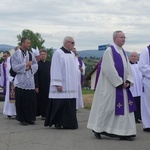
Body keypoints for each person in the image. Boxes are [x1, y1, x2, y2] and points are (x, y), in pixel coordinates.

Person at [87, 31, 136, 141]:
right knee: (108, 109)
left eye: (124, 37)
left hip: (123, 88)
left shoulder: (123, 52)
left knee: (124, 110)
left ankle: (123, 132)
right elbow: (108, 69)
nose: (124, 39)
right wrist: (119, 82)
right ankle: (99, 129)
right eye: (121, 37)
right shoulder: (109, 51)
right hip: (110, 87)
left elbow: (128, 68)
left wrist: (128, 80)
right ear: (115, 39)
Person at [44, 36, 78, 129]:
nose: (73, 45)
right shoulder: (58, 53)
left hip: (70, 85)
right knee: (60, 104)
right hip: (62, 84)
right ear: (66, 43)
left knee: (69, 104)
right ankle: (58, 122)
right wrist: (57, 83)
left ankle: (69, 123)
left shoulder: (71, 54)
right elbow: (55, 68)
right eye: (72, 43)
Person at [11, 37, 38, 126]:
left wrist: (30, 67)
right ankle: (22, 119)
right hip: (20, 81)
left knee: (30, 101)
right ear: (23, 43)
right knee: (21, 101)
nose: (29, 44)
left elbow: (35, 65)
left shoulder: (31, 54)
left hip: (30, 81)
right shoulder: (15, 54)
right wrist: (25, 65)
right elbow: (14, 67)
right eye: (28, 43)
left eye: (29, 43)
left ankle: (29, 118)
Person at [34, 50, 51, 120]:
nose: (43, 55)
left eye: (44, 54)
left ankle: (48, 113)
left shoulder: (49, 63)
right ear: (39, 56)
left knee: (48, 99)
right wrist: (36, 86)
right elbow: (36, 76)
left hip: (48, 84)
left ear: (46, 55)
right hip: (41, 85)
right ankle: (43, 114)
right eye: (41, 54)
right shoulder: (37, 64)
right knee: (42, 100)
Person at [0, 51, 16, 118]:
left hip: (13, 81)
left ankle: (14, 112)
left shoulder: (12, 62)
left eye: (6, 56)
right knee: (9, 98)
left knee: (14, 98)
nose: (4, 57)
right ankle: (9, 112)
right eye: (4, 56)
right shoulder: (2, 64)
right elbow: (2, 75)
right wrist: (2, 84)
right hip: (8, 82)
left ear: (9, 56)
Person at [138, 45, 150, 132]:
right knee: (147, 103)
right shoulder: (146, 50)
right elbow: (142, 66)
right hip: (148, 80)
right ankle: (148, 124)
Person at [129, 52, 142, 123]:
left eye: (135, 56)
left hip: (139, 87)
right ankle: (133, 118)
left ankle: (139, 117)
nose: (133, 57)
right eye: (132, 56)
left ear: (137, 57)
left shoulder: (140, 65)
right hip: (132, 87)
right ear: (129, 57)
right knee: (132, 102)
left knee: (139, 102)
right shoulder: (128, 66)